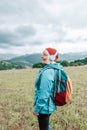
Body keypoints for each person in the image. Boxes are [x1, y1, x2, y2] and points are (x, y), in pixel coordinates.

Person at [33, 47, 63, 130]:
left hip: (44, 106)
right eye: (42, 54)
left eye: (45, 54)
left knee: (44, 127)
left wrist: (37, 109)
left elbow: (44, 93)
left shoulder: (47, 72)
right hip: (49, 104)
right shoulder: (53, 69)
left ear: (52, 57)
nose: (42, 56)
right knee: (46, 125)